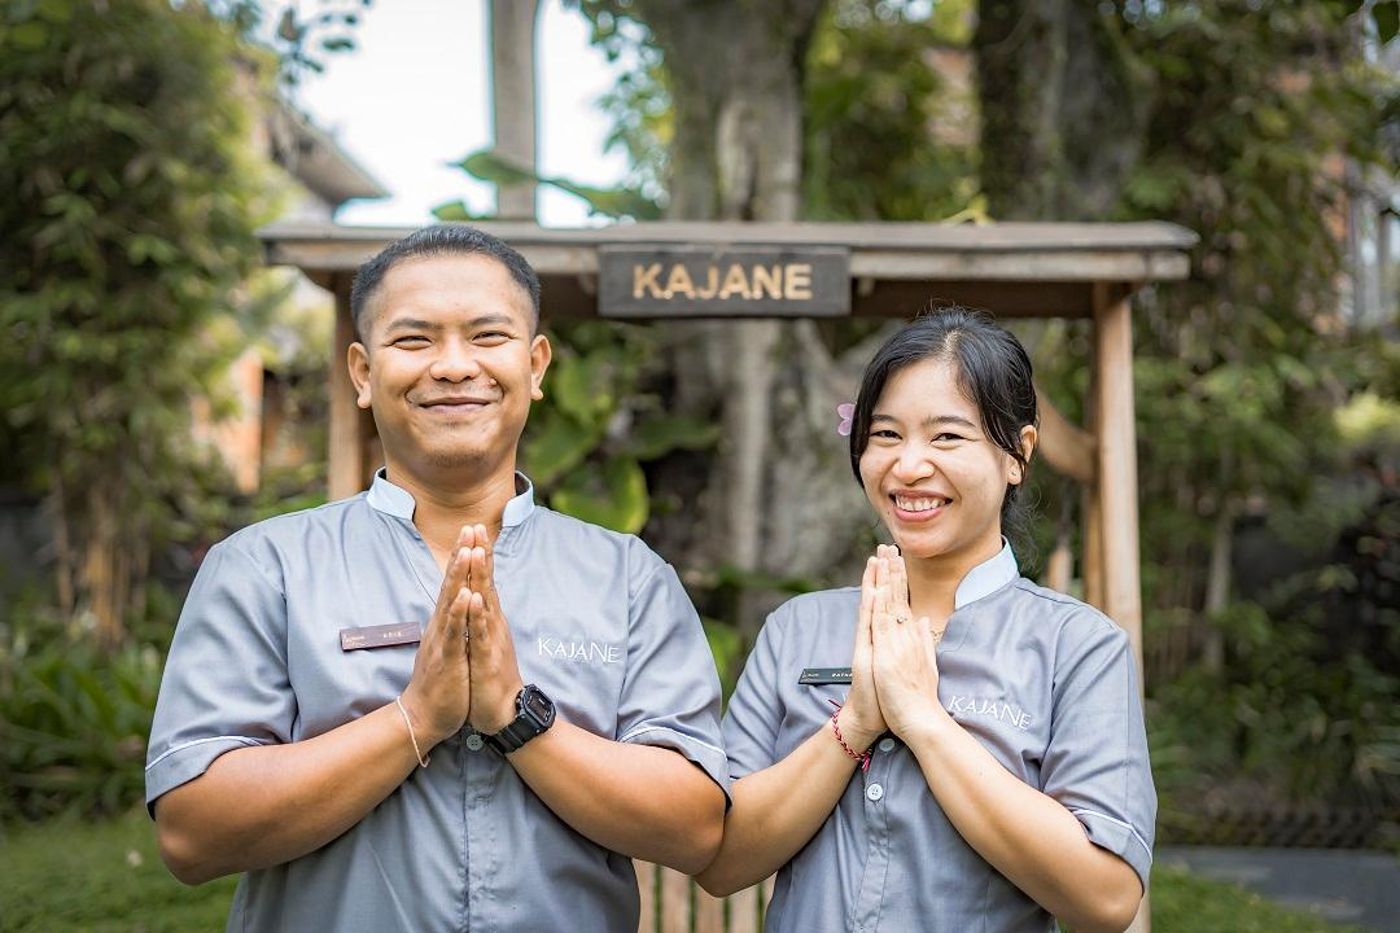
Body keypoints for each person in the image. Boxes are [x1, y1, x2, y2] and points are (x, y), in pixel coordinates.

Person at [145, 225, 728, 932]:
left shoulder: (629, 580)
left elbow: (695, 828)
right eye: (414, 339)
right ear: (363, 373)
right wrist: (415, 717)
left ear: (535, 365)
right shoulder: (265, 568)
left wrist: (516, 715)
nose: (453, 366)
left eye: (488, 336)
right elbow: (192, 832)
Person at [697, 309, 1155, 933]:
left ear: (1018, 455)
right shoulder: (795, 630)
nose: (909, 466)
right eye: (886, 434)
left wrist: (923, 720)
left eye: (946, 438)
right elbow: (721, 861)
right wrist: (855, 724)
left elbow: (1106, 899)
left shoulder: (1078, 647)